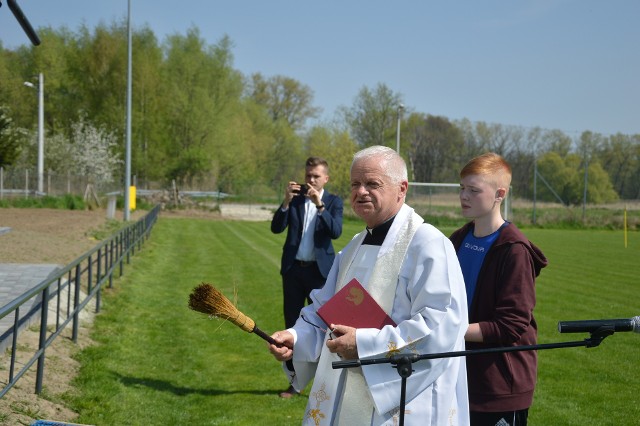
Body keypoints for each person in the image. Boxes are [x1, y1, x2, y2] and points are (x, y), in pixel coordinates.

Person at [268, 146, 469, 425]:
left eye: (372, 183)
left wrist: (363, 345)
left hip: (399, 403)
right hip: (344, 394)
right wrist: (296, 337)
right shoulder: (354, 247)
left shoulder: (428, 245)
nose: (360, 191)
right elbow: (324, 309)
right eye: (355, 184)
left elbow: (440, 326)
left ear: (402, 188)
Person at [449, 152, 548, 426]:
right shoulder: (457, 240)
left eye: (473, 190)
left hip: (499, 385)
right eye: (462, 189)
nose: (464, 196)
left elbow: (511, 325)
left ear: (499, 194)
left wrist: (449, 330)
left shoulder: (514, 250)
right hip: (458, 377)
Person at [271, 156, 343, 398]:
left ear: (326, 178)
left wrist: (319, 204)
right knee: (292, 326)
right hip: (293, 270)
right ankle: (295, 382)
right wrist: (285, 201)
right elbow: (276, 228)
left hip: (320, 273)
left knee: (324, 328)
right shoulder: (296, 200)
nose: (310, 180)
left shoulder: (333, 201)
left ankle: (325, 383)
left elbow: (336, 231)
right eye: (308, 175)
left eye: (315, 176)